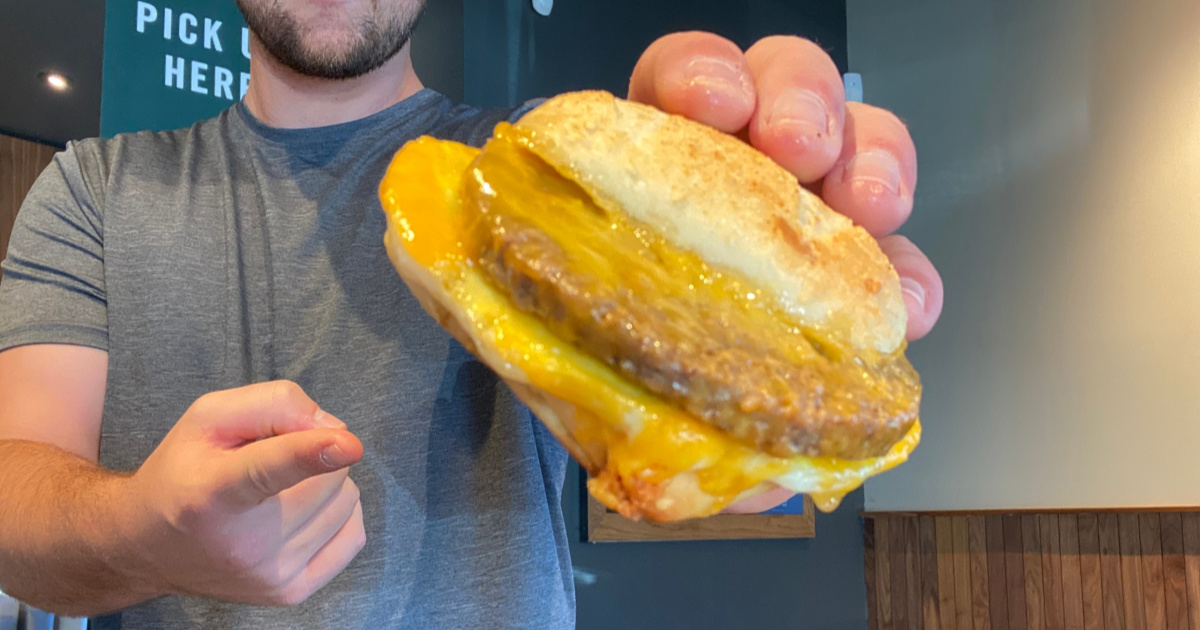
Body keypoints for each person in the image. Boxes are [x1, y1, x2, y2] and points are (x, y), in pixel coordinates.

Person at [0, 0, 944, 627]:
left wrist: (773, 258)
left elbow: (750, 485)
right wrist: (143, 532)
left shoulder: (554, 168)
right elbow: (15, 509)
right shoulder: (92, 190)